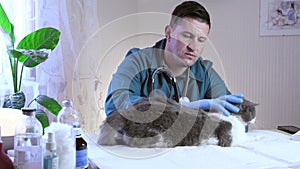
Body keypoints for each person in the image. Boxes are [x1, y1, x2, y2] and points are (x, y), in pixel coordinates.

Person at [105, 1, 243, 117]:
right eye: (187, 36)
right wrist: (183, 108)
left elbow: (239, 118)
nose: (193, 47)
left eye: (201, 39)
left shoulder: (204, 72)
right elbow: (114, 106)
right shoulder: (137, 61)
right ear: (169, 33)